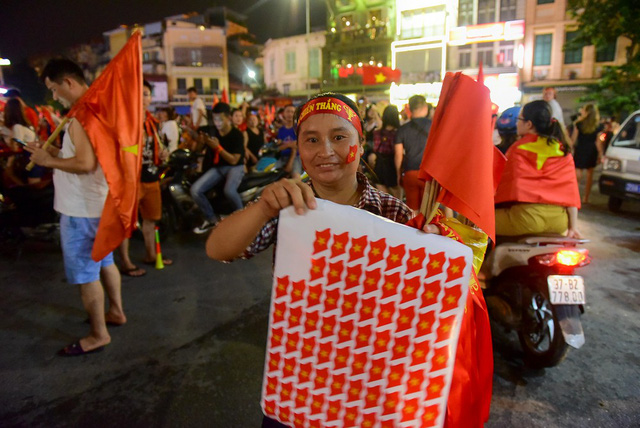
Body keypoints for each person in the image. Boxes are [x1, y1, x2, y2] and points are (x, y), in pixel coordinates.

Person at [205, 92, 483, 427]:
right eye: (311, 140)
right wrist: (263, 208)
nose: (325, 151)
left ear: (360, 142)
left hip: (372, 384)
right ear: (299, 148)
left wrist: (438, 248)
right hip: (298, 375)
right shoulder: (287, 206)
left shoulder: (393, 213)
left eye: (339, 137)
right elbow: (218, 249)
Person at [25, 58, 126, 355]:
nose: (54, 97)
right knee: (105, 263)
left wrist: (48, 161)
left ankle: (98, 334)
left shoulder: (83, 114)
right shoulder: (96, 107)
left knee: (86, 274)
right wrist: (54, 151)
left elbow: (85, 162)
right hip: (97, 204)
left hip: (81, 209)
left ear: (68, 82)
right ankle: (116, 311)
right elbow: (83, 155)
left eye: (55, 90)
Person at [495, 100, 582, 238]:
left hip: (526, 220)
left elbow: (499, 185)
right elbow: (570, 191)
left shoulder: (518, 149)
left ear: (528, 124)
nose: (517, 123)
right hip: (559, 223)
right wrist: (573, 227)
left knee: (471, 221)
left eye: (519, 119)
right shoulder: (562, 150)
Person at [118, 81, 172, 277]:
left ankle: (151, 254)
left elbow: (153, 149)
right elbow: (118, 150)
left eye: (147, 94)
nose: (143, 98)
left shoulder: (151, 122)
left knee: (150, 219)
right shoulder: (125, 121)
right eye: (139, 94)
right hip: (131, 179)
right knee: (126, 223)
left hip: (151, 177)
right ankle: (125, 261)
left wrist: (162, 156)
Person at [191, 102, 245, 234]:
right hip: (218, 168)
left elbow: (234, 160)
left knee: (229, 190)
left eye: (220, 119)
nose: (217, 122)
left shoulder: (237, 135)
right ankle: (211, 219)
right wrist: (200, 141)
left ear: (228, 118)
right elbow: (198, 150)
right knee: (195, 190)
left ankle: (244, 219)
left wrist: (218, 148)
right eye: (215, 119)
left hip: (235, 167)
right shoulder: (212, 132)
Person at [394, 94, 431, 211]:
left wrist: (398, 174)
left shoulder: (402, 129)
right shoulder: (433, 126)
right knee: (429, 211)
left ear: (410, 109)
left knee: (412, 210)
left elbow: (398, 155)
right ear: (425, 107)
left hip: (410, 173)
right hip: (428, 174)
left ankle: (413, 229)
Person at [3, 98, 44, 185]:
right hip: (35, 157)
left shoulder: (17, 127)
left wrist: (8, 139)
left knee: (32, 189)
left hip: (30, 160)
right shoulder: (28, 126)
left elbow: (15, 148)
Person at [571, 103, 602, 204]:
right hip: (591, 150)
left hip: (580, 149)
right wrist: (601, 153)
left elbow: (573, 140)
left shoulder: (579, 124)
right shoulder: (597, 126)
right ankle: (586, 197)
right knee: (590, 175)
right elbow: (598, 142)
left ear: (587, 112)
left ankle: (575, 196)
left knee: (577, 175)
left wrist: (570, 149)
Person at [372, 104, 402, 198]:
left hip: (380, 165)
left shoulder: (377, 132)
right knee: (397, 195)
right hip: (392, 164)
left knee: (383, 195)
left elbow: (375, 148)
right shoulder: (398, 133)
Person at [275, 104, 300, 177]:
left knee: (296, 178)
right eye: (288, 111)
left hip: (296, 157)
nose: (290, 114)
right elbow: (279, 147)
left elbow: (297, 145)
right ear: (284, 114)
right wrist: (290, 144)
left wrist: (285, 144)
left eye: (292, 112)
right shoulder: (281, 130)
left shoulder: (298, 128)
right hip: (283, 157)